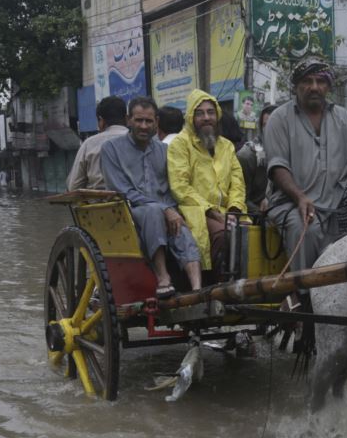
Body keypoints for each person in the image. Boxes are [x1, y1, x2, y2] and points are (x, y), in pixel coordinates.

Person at [265, 56, 347, 273]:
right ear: (296, 86)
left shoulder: (342, 117)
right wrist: (300, 197)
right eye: (307, 81)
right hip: (292, 203)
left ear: (328, 86)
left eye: (320, 81)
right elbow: (277, 167)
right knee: (305, 228)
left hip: (338, 203)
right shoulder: (279, 118)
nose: (314, 87)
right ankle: (303, 294)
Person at [101, 96, 203, 298]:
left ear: (156, 122)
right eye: (139, 120)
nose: (144, 126)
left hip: (166, 211)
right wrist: (164, 209)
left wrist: (174, 210)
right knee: (153, 211)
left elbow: (176, 185)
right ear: (128, 120)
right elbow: (122, 190)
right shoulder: (111, 149)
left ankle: (198, 290)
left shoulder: (165, 151)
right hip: (129, 212)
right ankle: (163, 276)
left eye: (149, 121)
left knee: (183, 226)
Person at [166, 89, 248, 276]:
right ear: (191, 117)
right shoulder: (180, 144)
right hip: (195, 210)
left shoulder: (226, 146)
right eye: (200, 113)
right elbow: (180, 187)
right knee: (225, 236)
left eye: (211, 112)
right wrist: (211, 211)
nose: (206, 117)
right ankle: (217, 286)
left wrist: (235, 209)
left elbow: (237, 183)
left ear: (217, 115)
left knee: (256, 234)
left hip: (228, 212)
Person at [66, 96, 128, 191]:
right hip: (136, 203)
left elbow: (74, 186)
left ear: (101, 121)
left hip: (98, 204)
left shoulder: (89, 144)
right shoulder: (140, 142)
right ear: (126, 118)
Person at [237, 104, 278, 213]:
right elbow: (240, 199)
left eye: (275, 125)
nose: (270, 130)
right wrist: (263, 213)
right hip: (255, 218)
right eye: (266, 125)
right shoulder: (247, 156)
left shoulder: (290, 153)